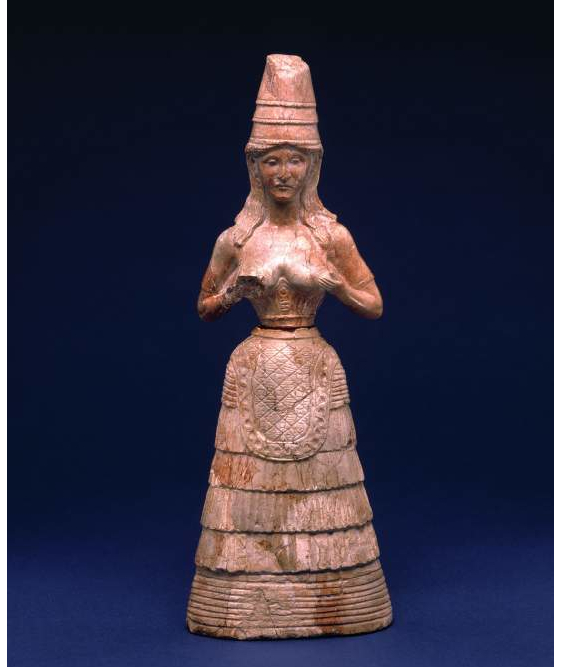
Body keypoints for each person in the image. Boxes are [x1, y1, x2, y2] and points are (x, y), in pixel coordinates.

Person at [186, 54, 393, 640]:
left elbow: (373, 304)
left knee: (322, 482)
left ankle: (335, 596)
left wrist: (330, 282)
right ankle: (242, 598)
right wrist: (235, 289)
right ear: (254, 166)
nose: (283, 172)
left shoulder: (329, 235)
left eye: (295, 159)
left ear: (312, 165)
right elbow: (205, 306)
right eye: (271, 159)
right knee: (248, 479)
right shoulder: (236, 238)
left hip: (312, 363)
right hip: (254, 364)